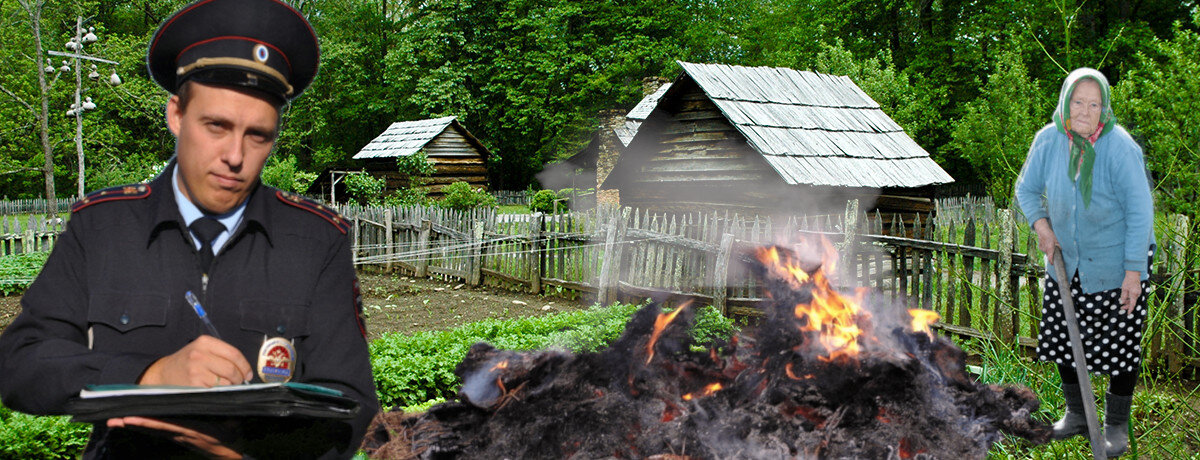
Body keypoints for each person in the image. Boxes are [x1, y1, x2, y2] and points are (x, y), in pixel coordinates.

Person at [0, 0, 379, 457]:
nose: (236, 156)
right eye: (216, 126)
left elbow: (354, 403)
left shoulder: (318, 241)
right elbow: (18, 362)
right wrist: (149, 375)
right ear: (176, 114)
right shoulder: (102, 227)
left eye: (257, 135)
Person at [1015, 67, 1154, 458]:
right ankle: (1076, 414)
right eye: (1078, 102)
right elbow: (1025, 190)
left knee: (1120, 347)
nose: (1085, 111)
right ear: (1065, 102)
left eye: (1095, 104)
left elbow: (1141, 214)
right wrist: (1042, 226)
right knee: (1063, 340)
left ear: (1104, 108)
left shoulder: (1121, 148)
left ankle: (1116, 427)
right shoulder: (1048, 140)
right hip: (1066, 258)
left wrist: (1133, 272)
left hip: (1117, 260)